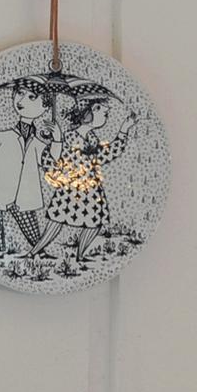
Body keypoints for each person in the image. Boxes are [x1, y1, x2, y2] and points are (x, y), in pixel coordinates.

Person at [31, 92, 132, 268]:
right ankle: (34, 252)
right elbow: (52, 159)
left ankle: (80, 255)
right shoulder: (69, 137)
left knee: (95, 224)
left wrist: (124, 130)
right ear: (89, 113)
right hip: (71, 190)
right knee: (55, 223)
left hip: (91, 192)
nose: (106, 117)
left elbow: (104, 155)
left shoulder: (91, 138)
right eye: (104, 113)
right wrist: (57, 140)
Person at [0, 76, 57, 257]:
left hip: (22, 193)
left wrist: (57, 139)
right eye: (20, 93)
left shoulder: (37, 143)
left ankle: (39, 251)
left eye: (32, 97)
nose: (21, 100)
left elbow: (51, 160)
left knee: (29, 223)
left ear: (45, 107)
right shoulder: (9, 136)